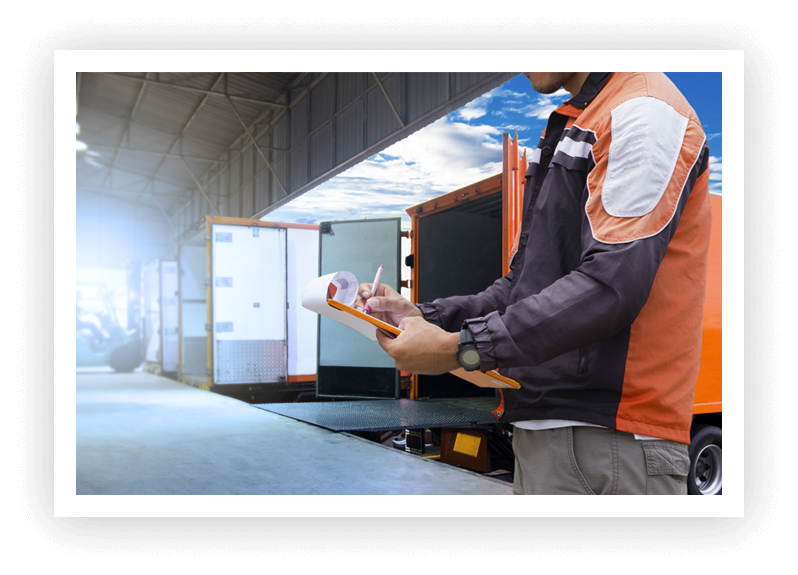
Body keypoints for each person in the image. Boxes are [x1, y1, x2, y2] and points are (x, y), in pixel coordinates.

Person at [355, 72, 712, 495]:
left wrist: (461, 349)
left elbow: (609, 286)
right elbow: (518, 289)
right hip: (560, 436)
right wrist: (423, 316)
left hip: (608, 436)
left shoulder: (643, 109)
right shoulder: (580, 121)